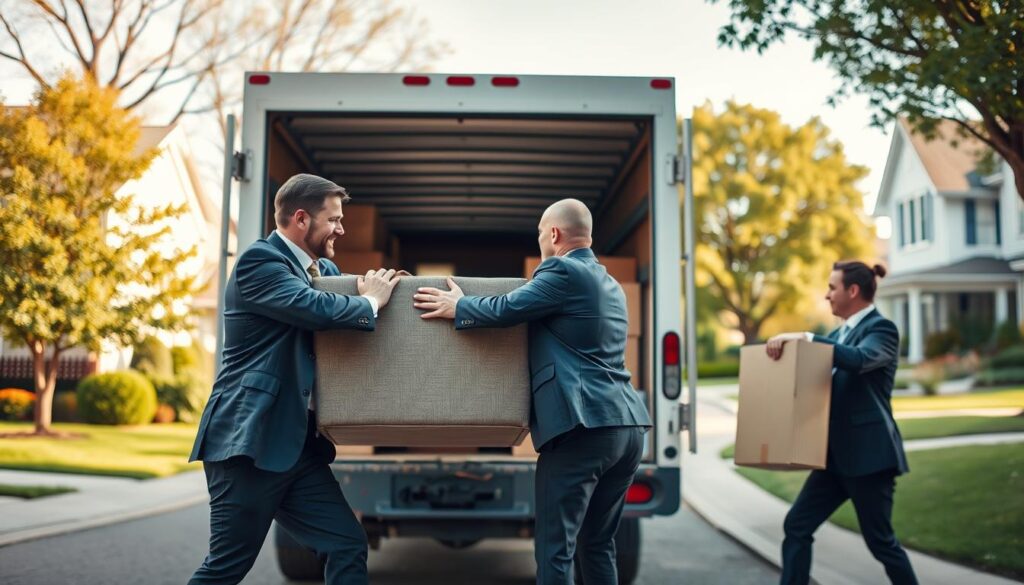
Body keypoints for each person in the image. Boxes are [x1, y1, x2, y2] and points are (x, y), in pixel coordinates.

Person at [412, 198, 652, 585]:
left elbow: (509, 308)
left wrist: (461, 305)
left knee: (555, 549)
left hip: (582, 428)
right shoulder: (609, 283)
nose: (540, 240)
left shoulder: (561, 271)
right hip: (626, 428)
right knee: (597, 544)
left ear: (554, 234)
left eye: (541, 233)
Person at [188, 173, 401, 584]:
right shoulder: (260, 263)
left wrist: (380, 292)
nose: (341, 228)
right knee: (226, 567)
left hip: (297, 449)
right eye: (334, 219)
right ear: (301, 219)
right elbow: (314, 307)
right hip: (248, 444)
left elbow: (337, 307)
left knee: (346, 544)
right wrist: (370, 300)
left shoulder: (323, 270)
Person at [765, 261, 918, 585]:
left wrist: (807, 337)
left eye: (832, 287)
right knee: (797, 525)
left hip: (869, 459)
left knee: (881, 543)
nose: (826, 295)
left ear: (853, 290)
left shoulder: (882, 330)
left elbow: (860, 359)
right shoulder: (837, 335)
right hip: (833, 461)